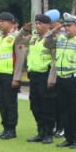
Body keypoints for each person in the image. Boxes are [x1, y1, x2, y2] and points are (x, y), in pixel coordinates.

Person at [48, 13, 76, 149]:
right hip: (62, 79)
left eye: (70, 26)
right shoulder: (60, 39)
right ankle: (68, 138)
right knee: (64, 110)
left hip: (75, 79)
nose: (67, 28)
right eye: (65, 26)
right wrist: (54, 30)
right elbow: (46, 43)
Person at [16, 13, 58, 144]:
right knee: (35, 105)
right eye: (37, 23)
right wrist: (24, 29)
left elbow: (55, 60)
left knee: (47, 106)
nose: (38, 26)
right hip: (33, 75)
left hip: (45, 75)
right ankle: (40, 131)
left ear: (48, 25)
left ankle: (49, 133)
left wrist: (52, 78)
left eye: (41, 24)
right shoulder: (34, 38)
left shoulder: (51, 39)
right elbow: (17, 41)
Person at [0, 13, 20, 139]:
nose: (0, 24)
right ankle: (5, 127)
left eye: (3, 21)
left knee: (10, 103)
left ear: (11, 22)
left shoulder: (17, 37)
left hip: (9, 74)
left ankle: (11, 129)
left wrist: (16, 77)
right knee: (1, 102)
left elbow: (19, 58)